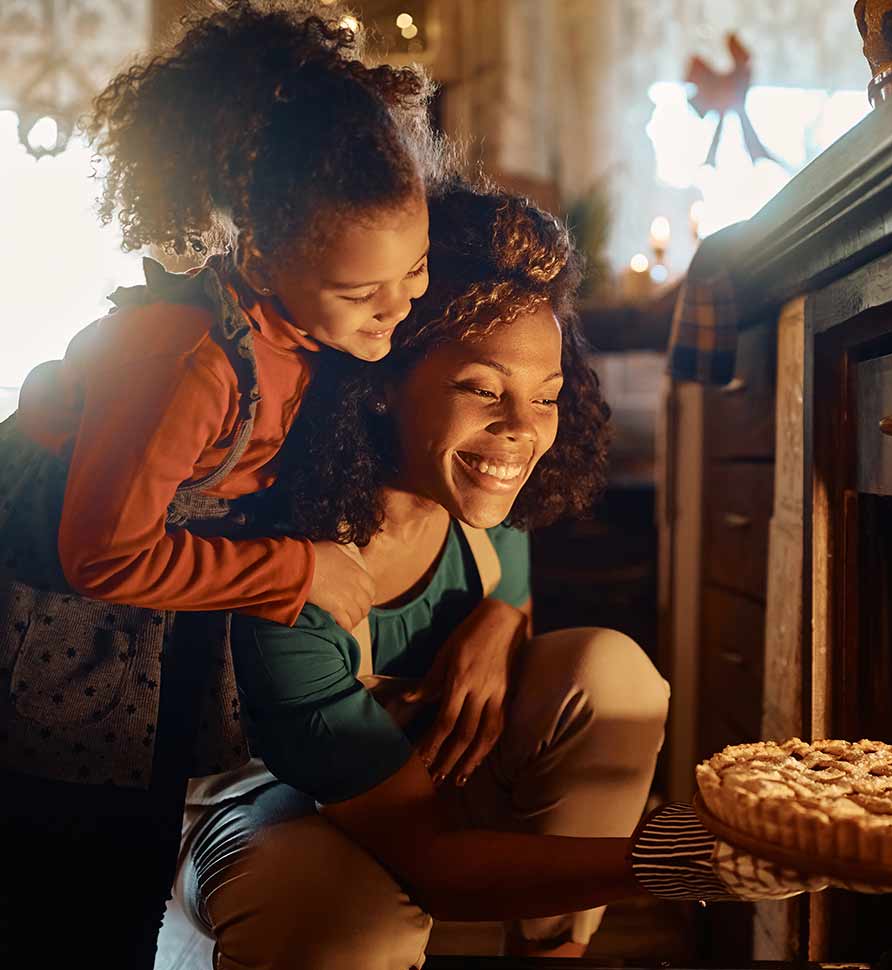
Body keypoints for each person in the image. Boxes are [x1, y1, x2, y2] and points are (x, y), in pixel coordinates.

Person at [171, 182, 816, 970]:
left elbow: (515, 585)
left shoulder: (480, 498)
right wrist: (692, 858)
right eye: (481, 390)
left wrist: (502, 618)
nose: (520, 433)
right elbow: (435, 863)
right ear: (380, 385)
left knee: (611, 674)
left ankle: (554, 955)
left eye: (544, 397)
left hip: (414, 781)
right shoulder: (293, 579)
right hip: (265, 808)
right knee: (347, 917)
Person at [0, 2, 443, 965]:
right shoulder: (188, 358)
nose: (399, 309)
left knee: (125, 890)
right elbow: (103, 551)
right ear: (261, 254)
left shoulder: (306, 333)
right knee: (64, 910)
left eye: (412, 272)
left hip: (137, 689)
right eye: (362, 292)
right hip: (52, 676)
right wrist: (300, 574)